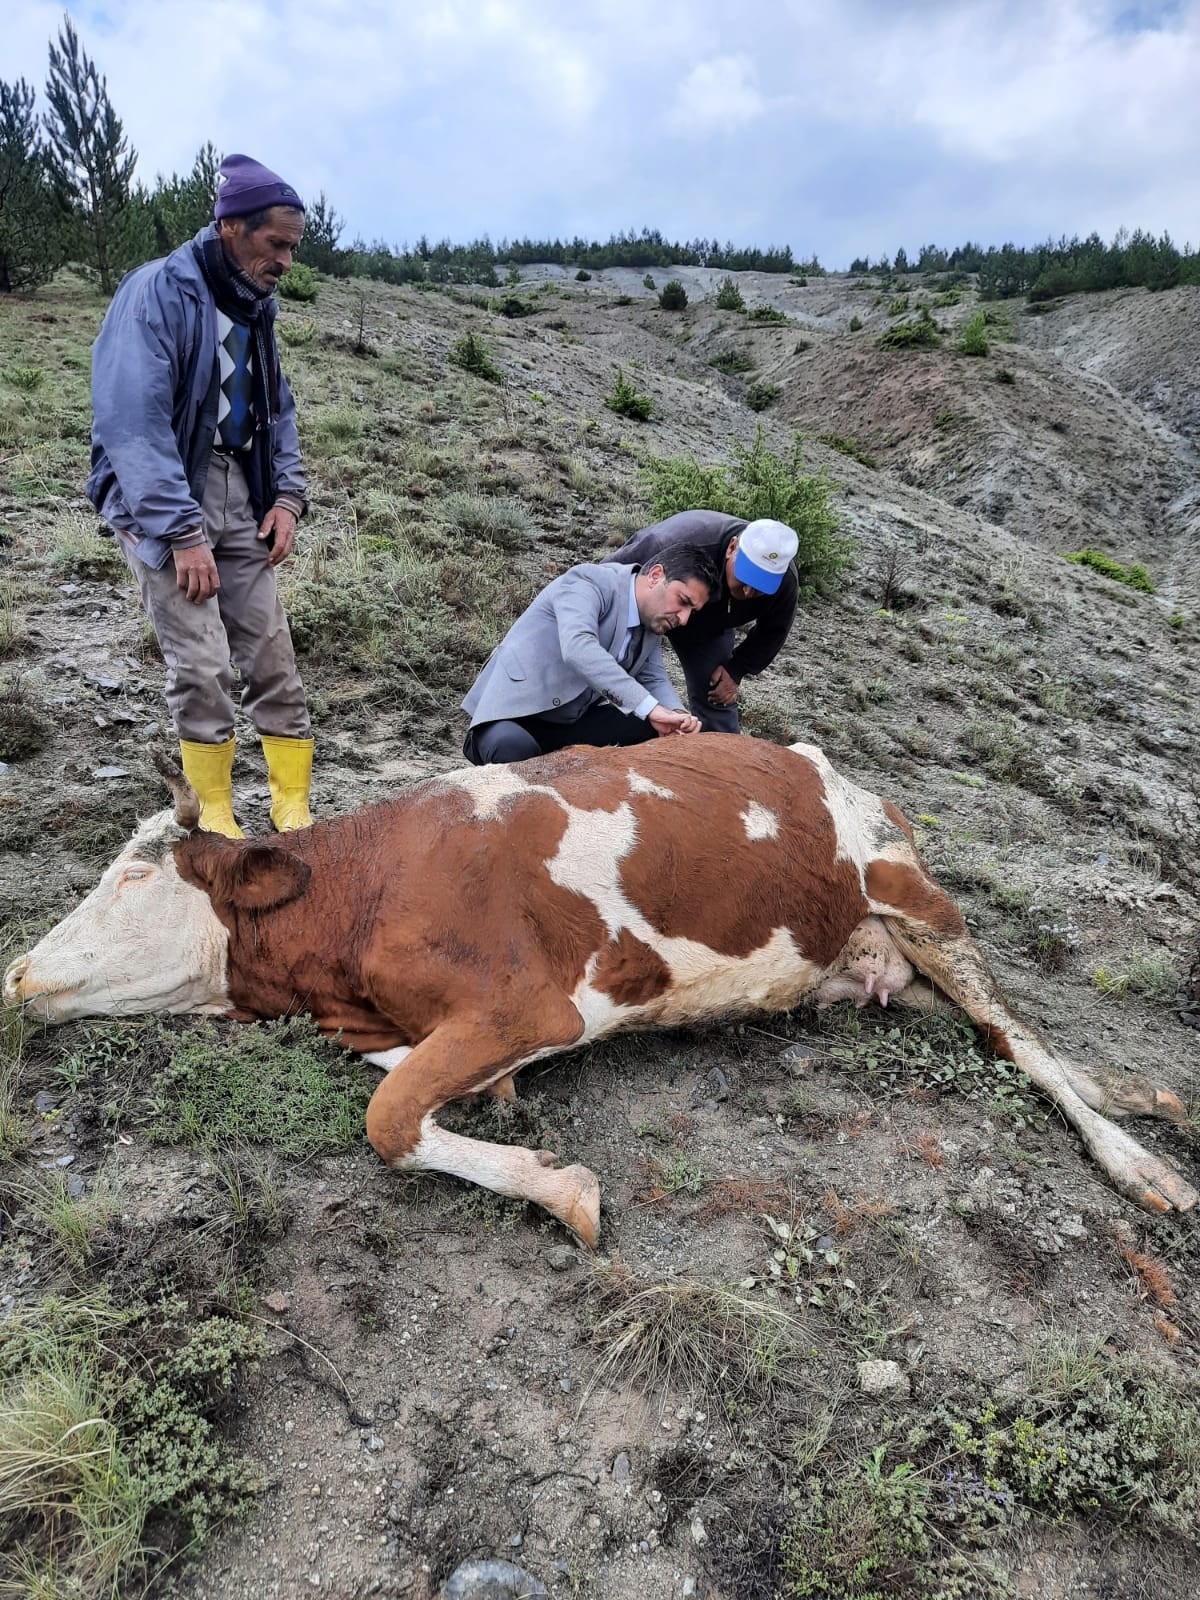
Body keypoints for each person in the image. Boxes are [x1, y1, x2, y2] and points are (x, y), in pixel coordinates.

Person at [87, 153, 314, 838]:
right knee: (203, 664)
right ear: (229, 228)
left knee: (272, 653)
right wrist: (180, 532)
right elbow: (133, 422)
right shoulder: (156, 292)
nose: (286, 261)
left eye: (294, 248)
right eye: (276, 244)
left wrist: (287, 498)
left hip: (240, 489)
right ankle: (215, 812)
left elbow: (278, 409)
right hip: (162, 497)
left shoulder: (256, 306)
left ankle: (292, 806)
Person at [462, 546, 718, 764]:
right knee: (512, 746)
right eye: (683, 601)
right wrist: (650, 708)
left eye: (692, 612)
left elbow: (654, 678)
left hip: (568, 722)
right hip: (512, 715)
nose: (684, 619)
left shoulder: (654, 621)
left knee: (659, 729)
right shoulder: (588, 581)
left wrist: (677, 716)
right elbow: (578, 647)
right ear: (655, 575)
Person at [604, 511, 800, 732]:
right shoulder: (677, 540)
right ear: (732, 547)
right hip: (647, 613)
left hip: (709, 628)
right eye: (746, 576)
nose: (747, 591)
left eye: (760, 587)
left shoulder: (785, 582)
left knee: (717, 693)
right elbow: (608, 577)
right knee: (609, 670)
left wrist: (737, 668)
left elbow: (774, 630)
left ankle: (719, 759)